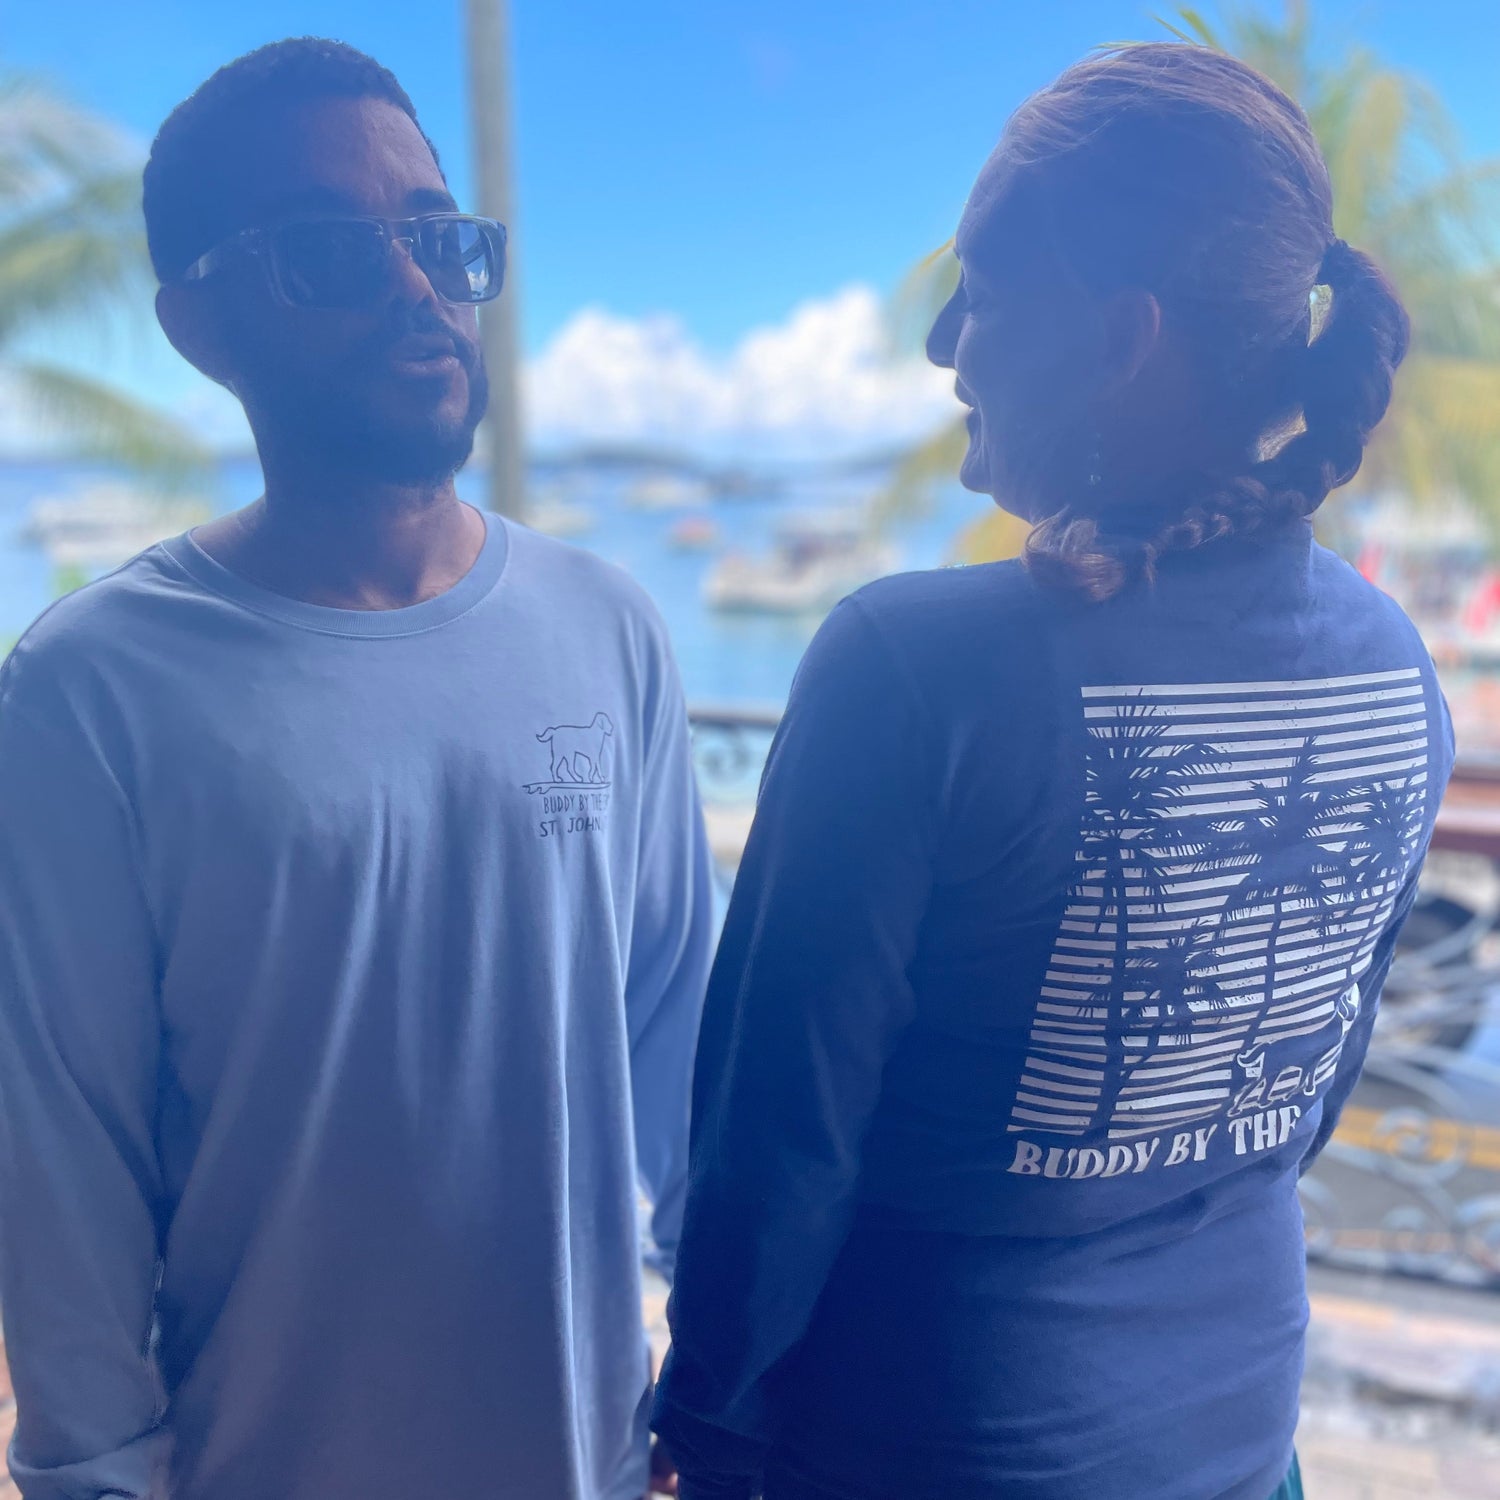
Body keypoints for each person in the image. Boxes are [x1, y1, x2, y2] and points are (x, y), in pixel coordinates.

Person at [653, 42, 1452, 1500]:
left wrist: (701, 1425)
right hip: (1235, 1432)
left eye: (983, 292)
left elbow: (777, 1146)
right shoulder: (1395, 670)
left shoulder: (912, 673)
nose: (942, 344)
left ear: (1120, 340)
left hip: (939, 1450)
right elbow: (1300, 1101)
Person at [0, 38, 711, 1500]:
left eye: (440, 239)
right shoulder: (91, 688)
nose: (416, 287)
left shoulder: (610, 629)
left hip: (587, 1460)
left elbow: (680, 1056)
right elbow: (62, 1156)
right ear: (201, 325)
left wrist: (714, 1394)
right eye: (329, 250)